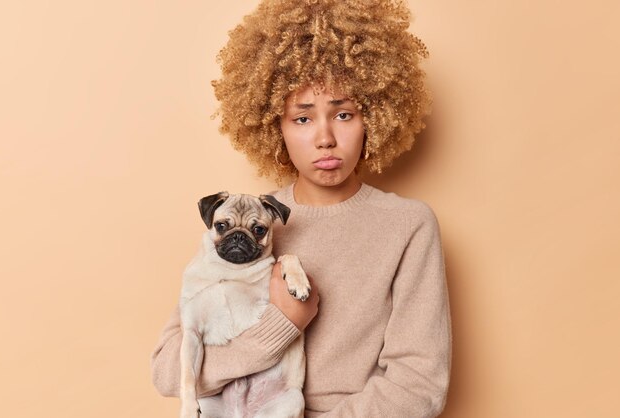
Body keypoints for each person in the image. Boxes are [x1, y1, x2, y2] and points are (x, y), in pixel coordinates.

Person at [150, 0, 452, 416]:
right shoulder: (253, 224)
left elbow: (419, 386)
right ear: (274, 125)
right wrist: (282, 326)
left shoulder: (408, 226)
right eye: (303, 119)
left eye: (344, 114)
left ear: (377, 117)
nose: (325, 138)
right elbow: (168, 371)